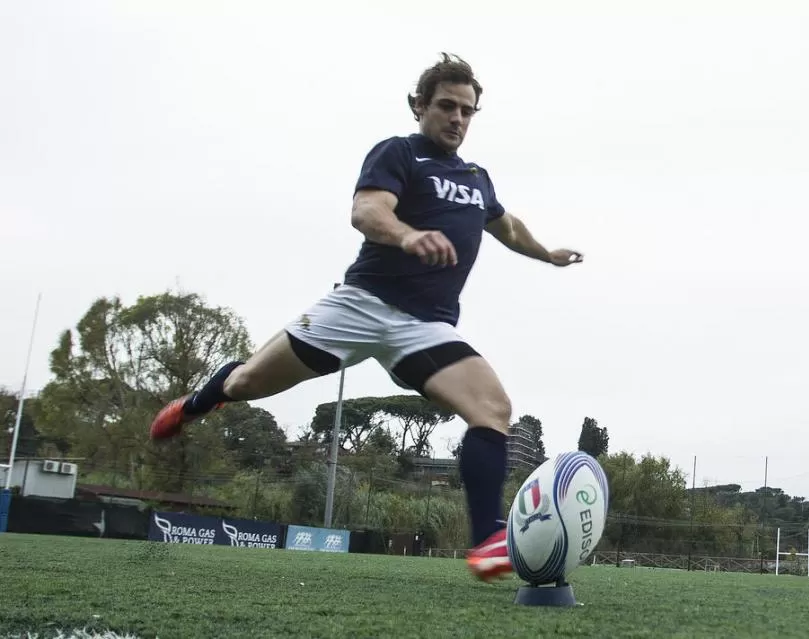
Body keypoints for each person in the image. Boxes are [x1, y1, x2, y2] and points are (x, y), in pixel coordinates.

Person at [147, 53, 584, 582]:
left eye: (468, 111)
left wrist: (548, 254)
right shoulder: (398, 153)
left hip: (426, 325)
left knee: (492, 408)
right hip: (359, 307)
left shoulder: (476, 177)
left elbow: (508, 226)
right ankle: (199, 401)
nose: (458, 119)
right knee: (247, 381)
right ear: (419, 106)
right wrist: (406, 234)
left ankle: (487, 540)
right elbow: (367, 211)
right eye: (447, 106)